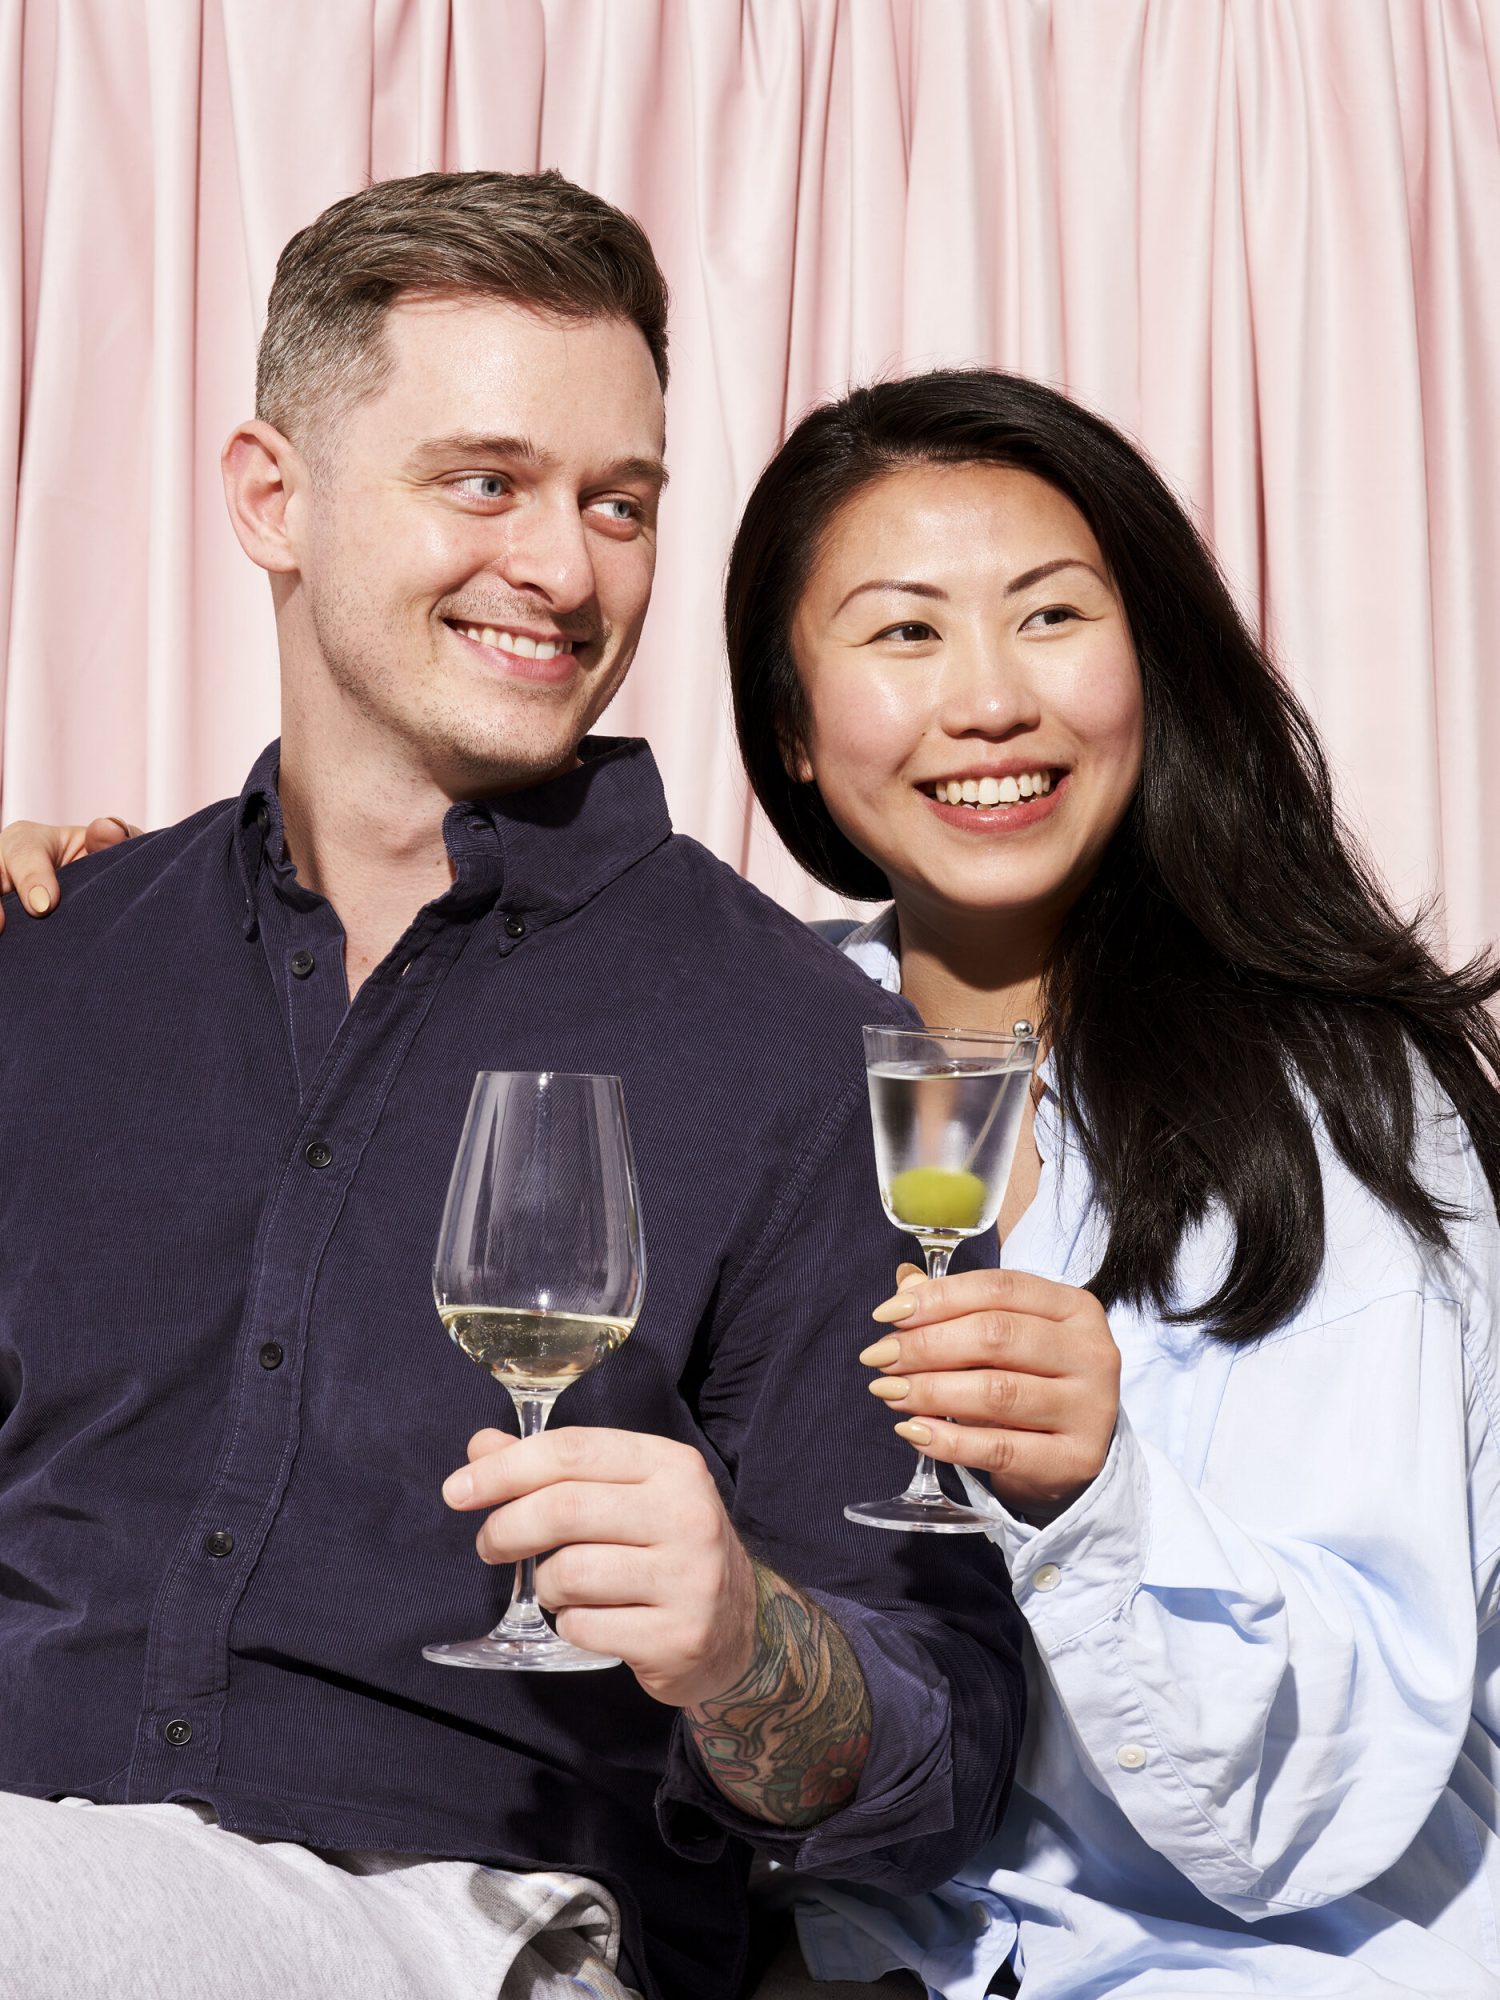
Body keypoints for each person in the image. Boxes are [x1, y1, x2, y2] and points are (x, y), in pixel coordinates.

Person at [15, 349, 1500, 1999]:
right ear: (790, 734)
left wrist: (1094, 1504)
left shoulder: (1335, 1115)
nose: (989, 698)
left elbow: (1334, 1790)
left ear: (1151, 662)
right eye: (905, 632)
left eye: (1053, 615)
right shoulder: (766, 1034)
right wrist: (126, 919)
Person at [0, 177, 1026, 2000]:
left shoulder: (794, 1047)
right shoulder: (57, 963)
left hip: (483, 1921)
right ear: (273, 498)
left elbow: (938, 1752)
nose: (563, 570)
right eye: (485, 481)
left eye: (616, 503)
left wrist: (744, 1642)